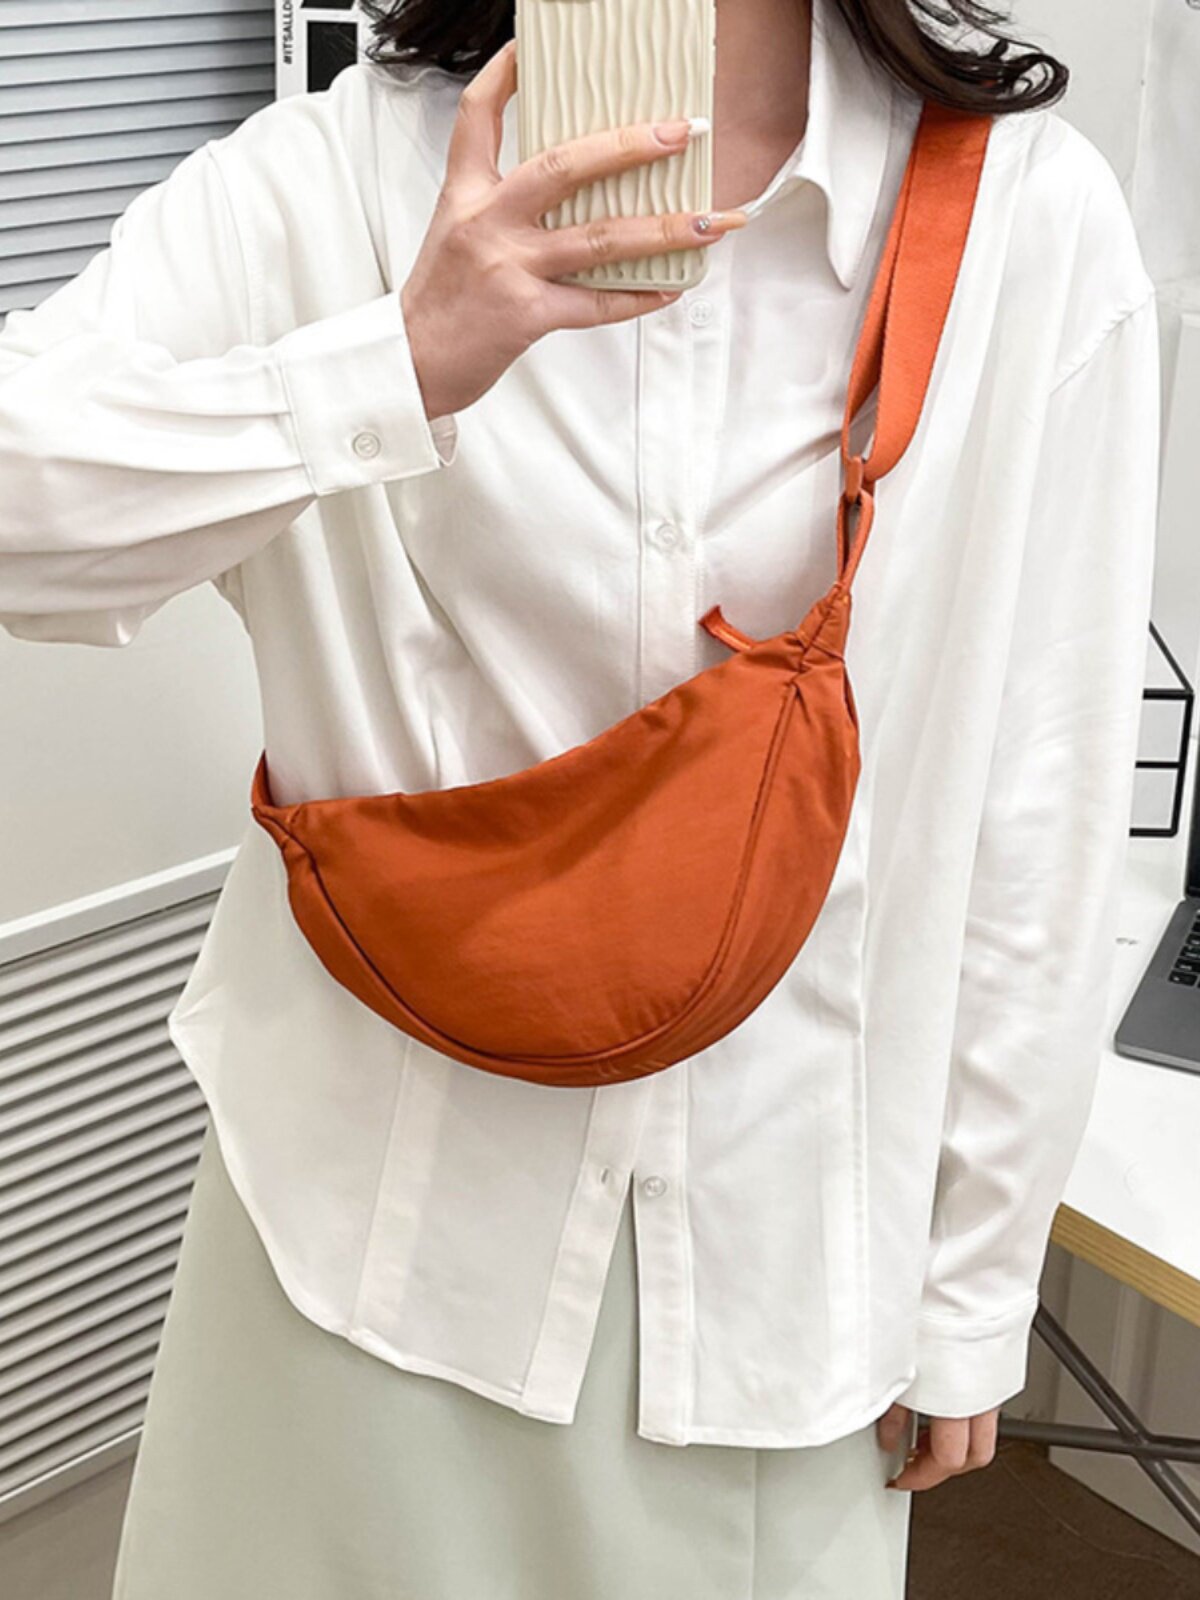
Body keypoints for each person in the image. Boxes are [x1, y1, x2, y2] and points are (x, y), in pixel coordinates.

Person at [0, 1, 1159, 1596]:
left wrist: (974, 1280)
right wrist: (395, 364)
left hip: (780, 1274)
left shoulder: (1029, 223)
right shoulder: (333, 180)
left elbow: (1043, 788)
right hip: (354, 1230)